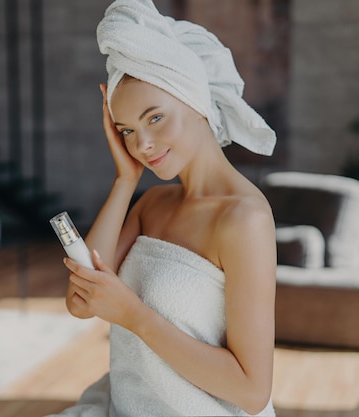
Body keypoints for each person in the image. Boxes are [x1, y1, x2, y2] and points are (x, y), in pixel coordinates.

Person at [46, 1, 277, 416]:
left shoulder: (245, 219)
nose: (142, 145)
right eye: (127, 130)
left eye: (154, 118)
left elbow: (252, 390)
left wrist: (134, 316)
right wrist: (125, 180)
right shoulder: (151, 203)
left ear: (196, 100)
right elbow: (81, 302)